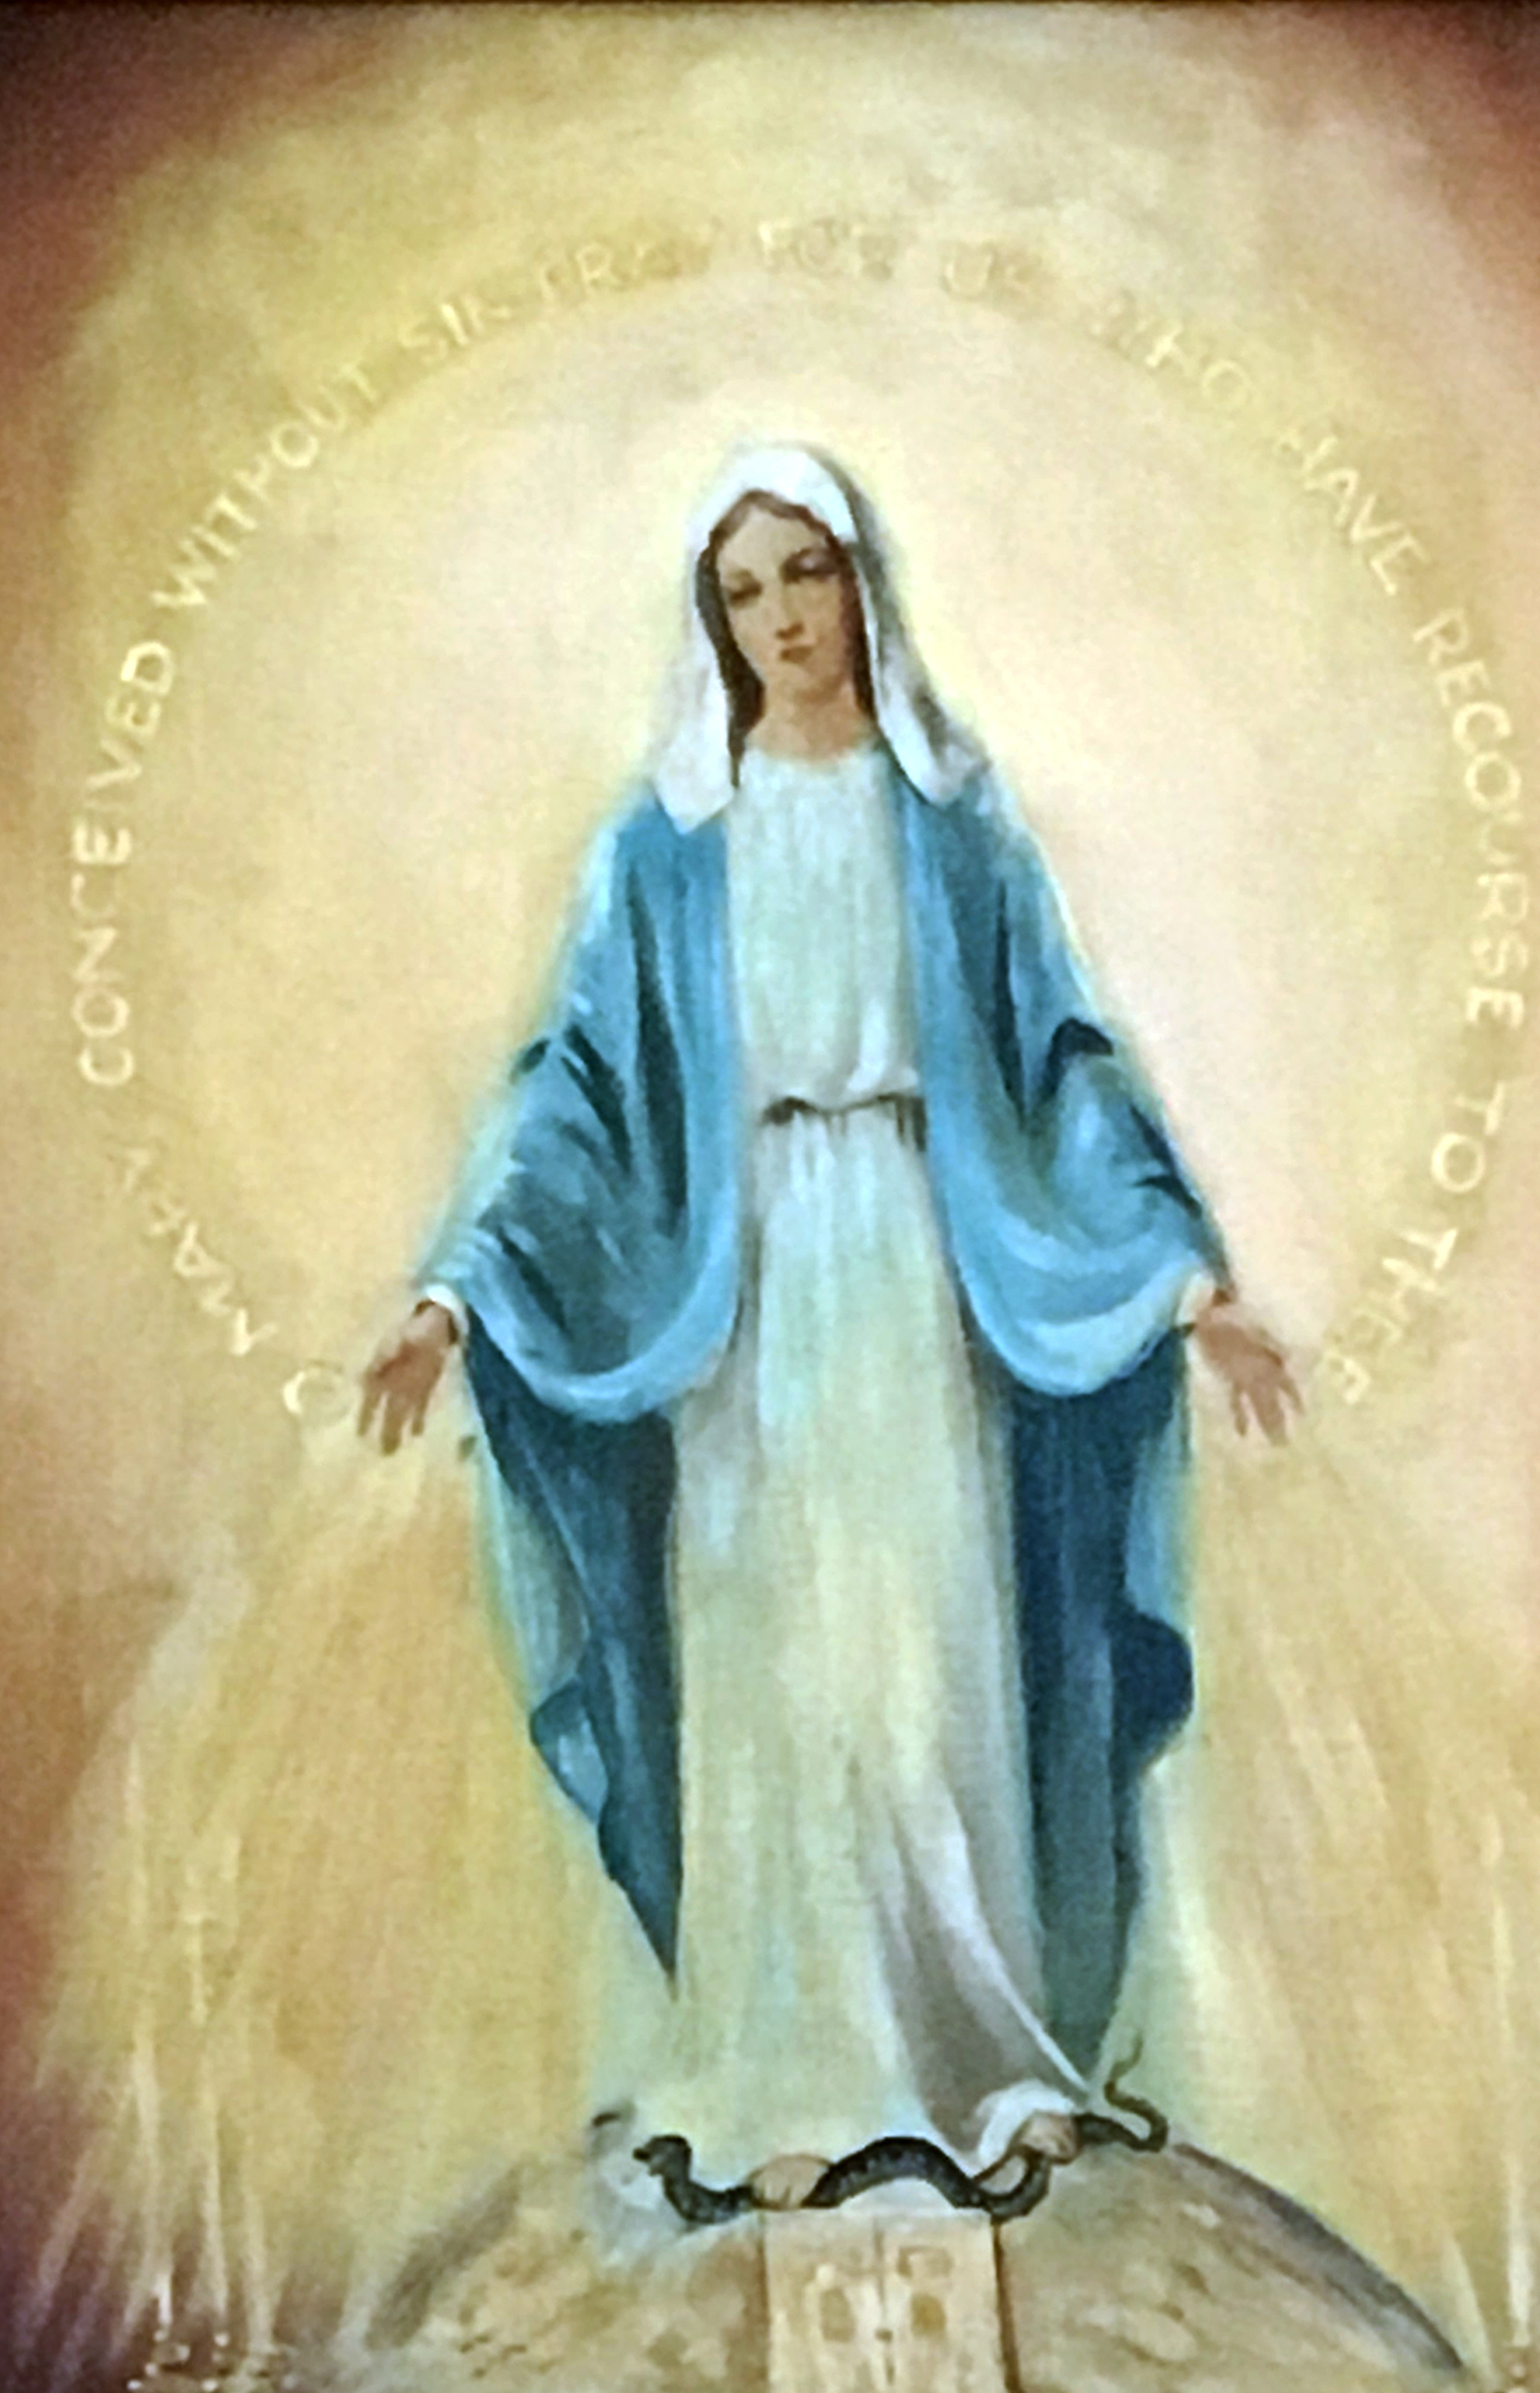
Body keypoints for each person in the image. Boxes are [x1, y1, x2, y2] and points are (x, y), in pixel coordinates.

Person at [364, 445, 1297, 2214]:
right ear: (711, 625)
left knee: (923, 1660)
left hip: (916, 1275)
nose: (783, 619)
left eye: (808, 573)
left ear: (863, 584)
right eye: (744, 592)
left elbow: (1060, 1058)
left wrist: (1187, 1280)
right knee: (779, 1670)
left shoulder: (953, 822)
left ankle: (977, 2057)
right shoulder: (668, 843)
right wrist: (456, 1289)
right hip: (751, 1304)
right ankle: (786, 2071)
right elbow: (572, 1089)